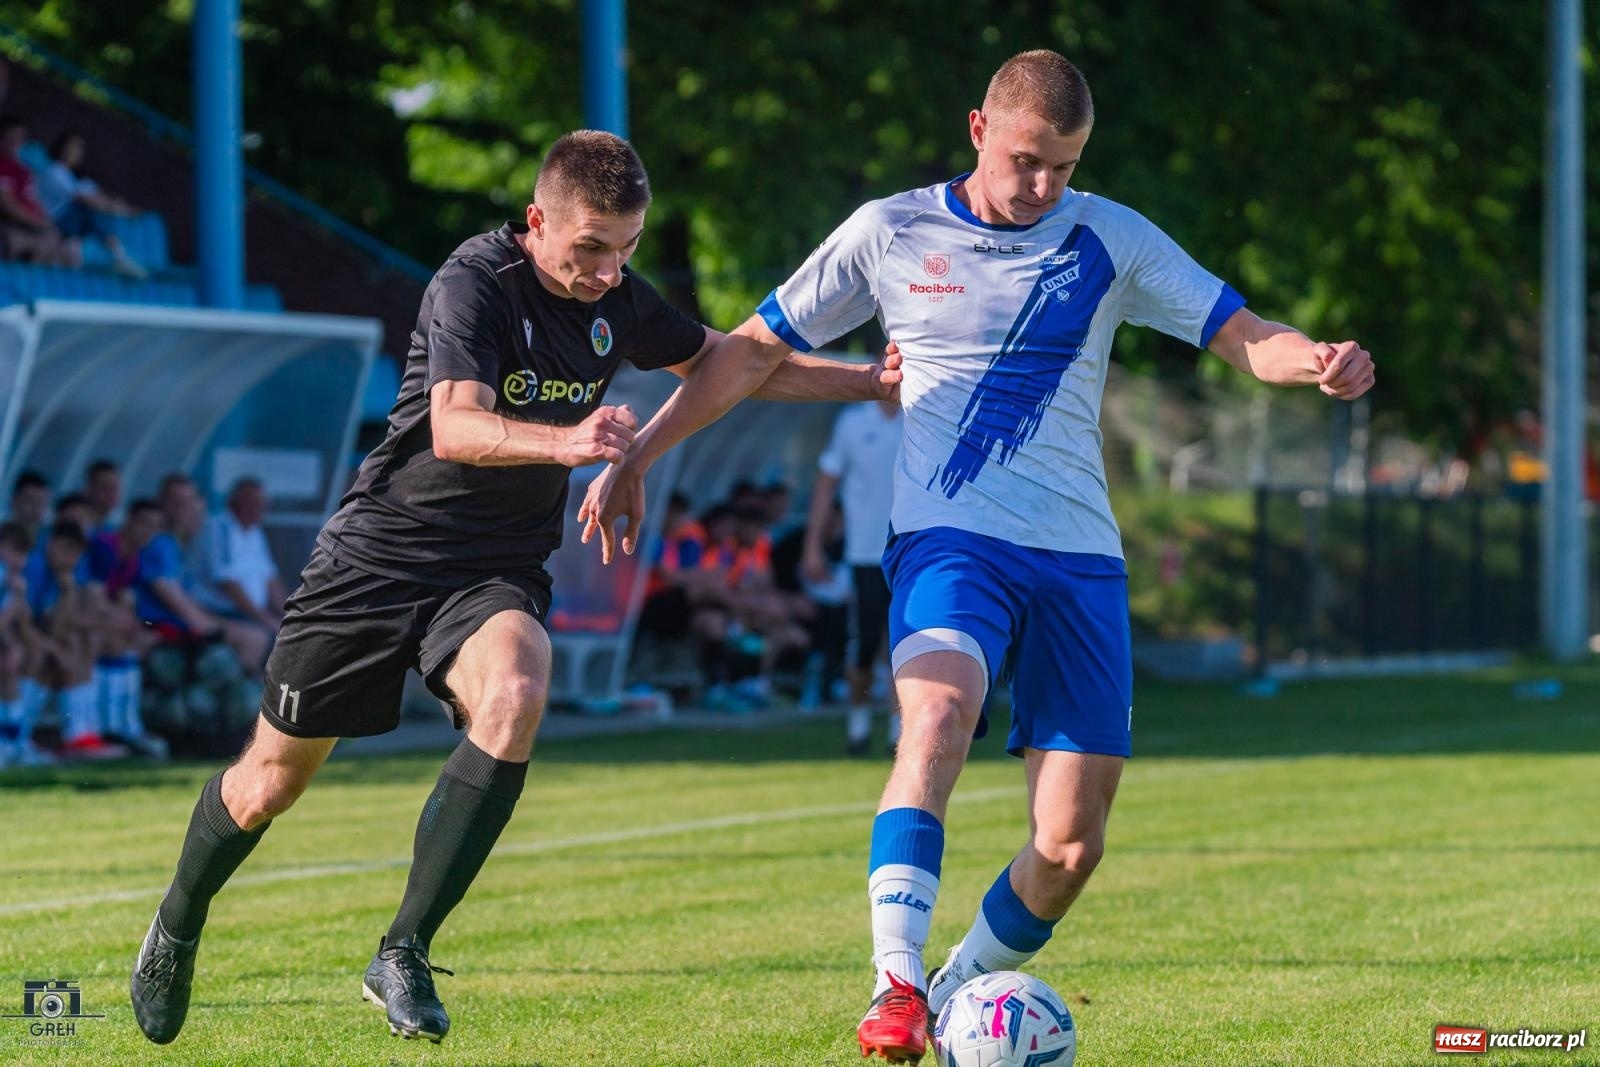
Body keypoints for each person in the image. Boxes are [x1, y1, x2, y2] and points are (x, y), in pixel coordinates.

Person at [578, 50, 1374, 1063]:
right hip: (950, 538)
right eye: (1026, 160)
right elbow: (747, 351)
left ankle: (952, 994)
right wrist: (641, 452)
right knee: (938, 713)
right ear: (978, 130)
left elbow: (1242, 333)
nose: (1042, 185)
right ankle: (895, 981)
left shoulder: (1110, 236)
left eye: (1064, 165)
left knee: (1070, 845)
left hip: (1078, 558)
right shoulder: (891, 231)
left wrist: (1314, 361)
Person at [129, 129, 899, 1048]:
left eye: (627, 248)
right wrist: (570, 442)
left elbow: (731, 359)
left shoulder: (615, 297)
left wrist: (869, 381)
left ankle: (403, 949)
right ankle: (176, 922)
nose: (609, 271)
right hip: (377, 560)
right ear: (538, 221)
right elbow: (455, 427)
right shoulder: (474, 283)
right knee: (267, 784)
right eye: (591, 248)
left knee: (519, 689)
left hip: (493, 567)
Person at [804, 399, 904, 756]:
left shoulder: (920, 417)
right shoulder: (852, 422)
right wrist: (813, 545)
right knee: (864, 644)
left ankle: (899, 733)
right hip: (865, 553)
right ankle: (858, 725)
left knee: (904, 646)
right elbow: (826, 482)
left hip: (912, 553)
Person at [35, 129, 149, 278]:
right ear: (61, 147)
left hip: (71, 226)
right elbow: (83, 199)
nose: (75, 152)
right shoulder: (54, 171)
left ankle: (118, 256)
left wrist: (119, 206)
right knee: (91, 211)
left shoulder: (75, 178)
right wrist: (122, 211)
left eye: (79, 148)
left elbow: (99, 196)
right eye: (72, 146)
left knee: (97, 211)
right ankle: (119, 257)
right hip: (52, 222)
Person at [194, 477, 286, 635]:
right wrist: (266, 620)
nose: (261, 508)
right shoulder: (220, 528)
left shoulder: (255, 531)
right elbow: (227, 582)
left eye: (263, 502)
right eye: (254, 502)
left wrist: (292, 616)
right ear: (236, 503)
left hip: (250, 613)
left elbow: (270, 579)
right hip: (222, 612)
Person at [0, 115, 75, 266]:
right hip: (12, 226)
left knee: (66, 249)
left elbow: (33, 199)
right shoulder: (2, 166)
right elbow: (6, 204)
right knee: (42, 245)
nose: (16, 141)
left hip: (34, 227)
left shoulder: (22, 169)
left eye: (20, 137)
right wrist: (36, 222)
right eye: (11, 137)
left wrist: (43, 220)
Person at [7, 470, 50, 548]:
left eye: (40, 502)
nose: (35, 508)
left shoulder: (49, 546)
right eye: (30, 500)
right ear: (14, 501)